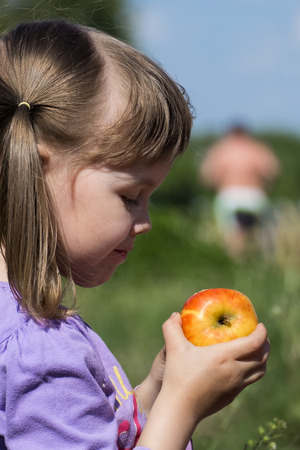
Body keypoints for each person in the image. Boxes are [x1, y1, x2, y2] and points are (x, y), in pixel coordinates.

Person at [0, 20, 270, 449]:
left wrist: (160, 387)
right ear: (35, 169)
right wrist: (184, 406)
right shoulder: (39, 354)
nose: (145, 222)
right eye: (130, 196)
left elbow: (101, 431)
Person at [199, 125, 281, 258]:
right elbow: (274, 172)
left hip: (229, 196)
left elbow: (206, 178)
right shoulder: (258, 149)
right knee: (262, 237)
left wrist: (218, 183)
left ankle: (235, 265)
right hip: (255, 196)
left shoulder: (220, 150)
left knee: (232, 237)